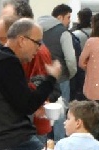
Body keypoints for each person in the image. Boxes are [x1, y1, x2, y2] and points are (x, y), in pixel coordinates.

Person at [0, 18, 61, 150]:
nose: (39, 48)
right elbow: (27, 105)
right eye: (37, 42)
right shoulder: (6, 62)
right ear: (22, 40)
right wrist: (51, 79)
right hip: (13, 139)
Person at [37, 4, 78, 142]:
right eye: (68, 17)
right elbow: (71, 59)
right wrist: (70, 75)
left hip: (38, 78)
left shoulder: (35, 29)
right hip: (61, 79)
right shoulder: (63, 32)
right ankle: (59, 147)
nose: (69, 21)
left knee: (42, 114)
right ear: (59, 17)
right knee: (60, 116)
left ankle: (43, 146)